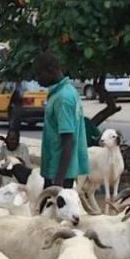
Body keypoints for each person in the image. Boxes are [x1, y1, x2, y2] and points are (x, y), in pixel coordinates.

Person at [32, 52, 89, 188]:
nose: (37, 79)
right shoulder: (64, 92)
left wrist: (59, 180)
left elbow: (68, 141)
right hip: (55, 171)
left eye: (39, 74)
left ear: (50, 70)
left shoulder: (63, 98)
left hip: (60, 173)